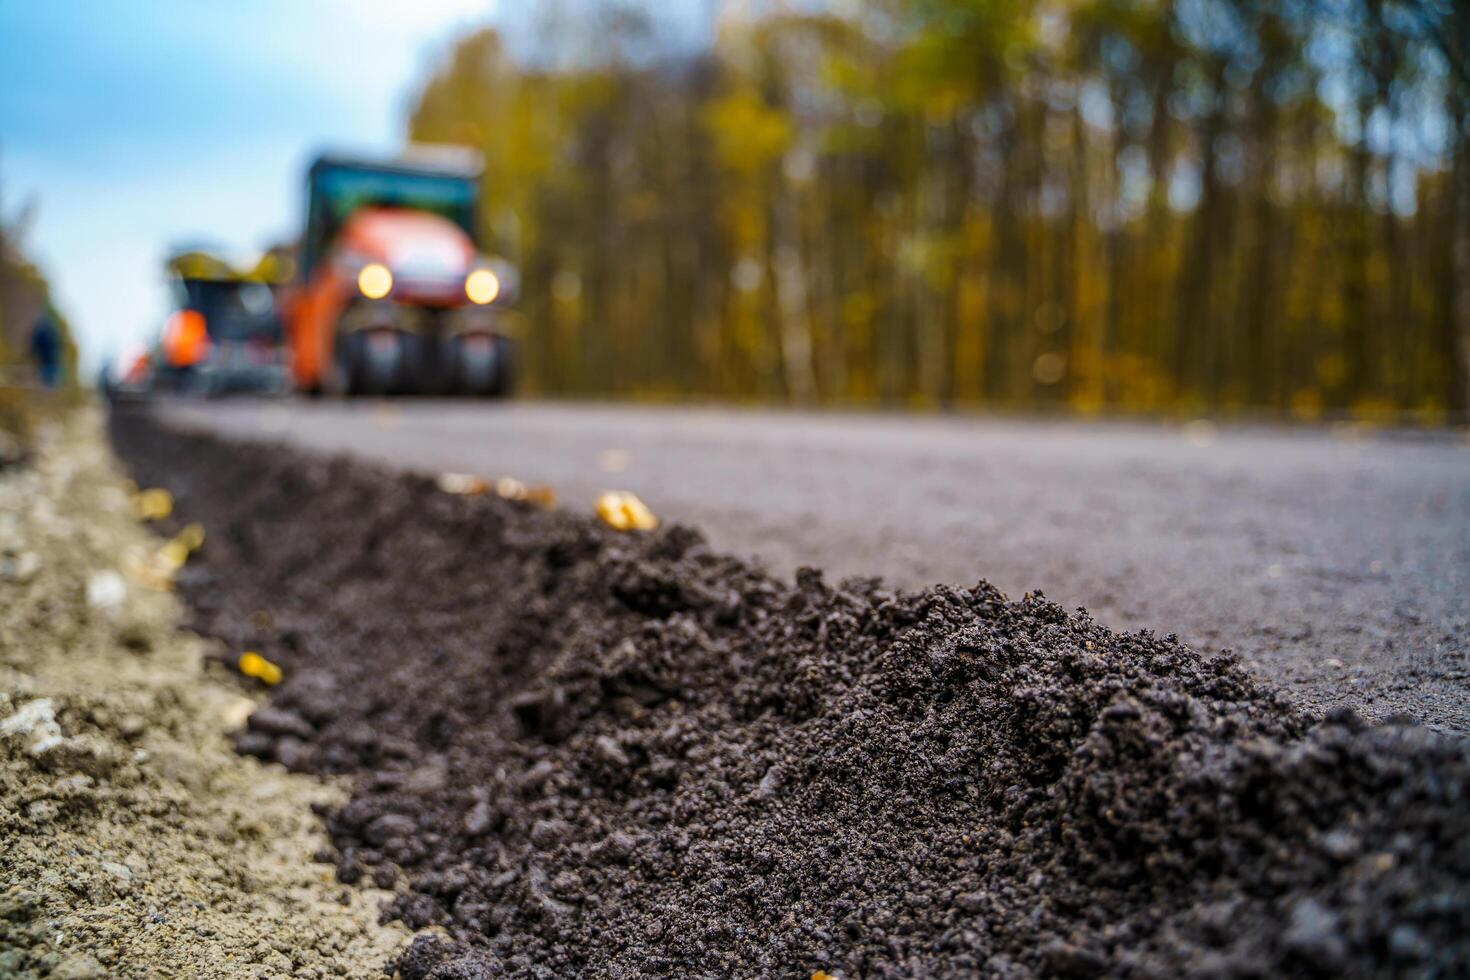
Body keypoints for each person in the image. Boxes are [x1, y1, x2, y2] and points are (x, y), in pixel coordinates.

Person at [29, 308, 60, 388]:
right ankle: (46, 385)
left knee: (45, 375)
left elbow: (34, 343)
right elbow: (56, 347)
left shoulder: (41, 331)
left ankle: (44, 384)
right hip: (48, 362)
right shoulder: (52, 332)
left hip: (45, 362)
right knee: (47, 376)